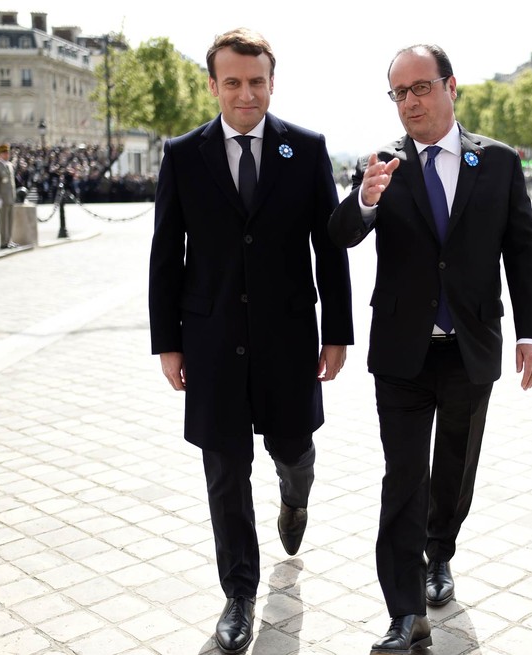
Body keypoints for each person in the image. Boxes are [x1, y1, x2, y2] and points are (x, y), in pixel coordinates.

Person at [328, 44, 532, 654]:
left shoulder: (499, 162)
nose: (410, 103)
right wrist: (365, 200)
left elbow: (523, 250)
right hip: (401, 354)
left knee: (453, 470)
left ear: (451, 86)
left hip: (469, 349)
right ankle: (404, 613)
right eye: (399, 93)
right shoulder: (381, 165)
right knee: (403, 478)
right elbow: (339, 236)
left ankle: (439, 553)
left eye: (421, 88)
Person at [148, 27, 353, 655]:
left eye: (256, 81)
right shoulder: (184, 155)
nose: (245, 93)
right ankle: (239, 595)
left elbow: (330, 248)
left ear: (271, 81)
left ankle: (297, 495)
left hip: (289, 338)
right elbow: (166, 254)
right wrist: (168, 342)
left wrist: (337, 333)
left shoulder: (307, 149)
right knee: (225, 470)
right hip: (210, 340)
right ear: (213, 85)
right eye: (232, 82)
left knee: (293, 449)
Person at [0, 143, 17, 249]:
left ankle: (9, 240)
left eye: (7, 153)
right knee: (3, 221)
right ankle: (3, 242)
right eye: (4, 153)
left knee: (10, 220)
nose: (6, 155)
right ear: (0, 154)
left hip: (10, 197)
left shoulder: (9, 165)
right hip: (3, 198)